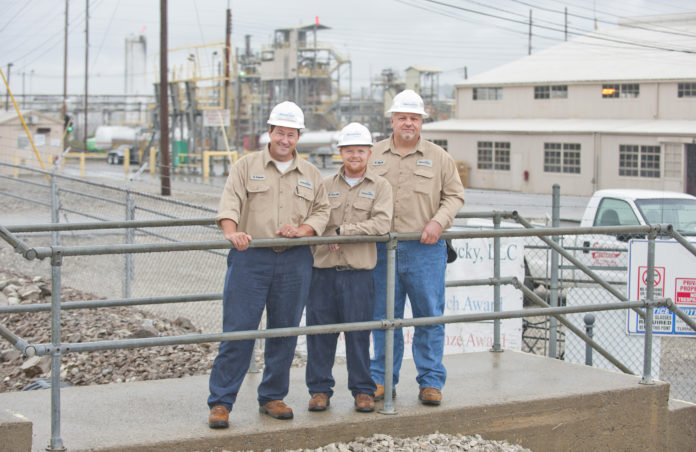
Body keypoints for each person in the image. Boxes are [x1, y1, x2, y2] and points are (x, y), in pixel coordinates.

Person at [207, 101, 330, 429]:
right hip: (251, 257)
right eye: (280, 133)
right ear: (270, 132)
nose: (285, 139)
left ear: (299, 137)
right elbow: (230, 202)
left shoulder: (311, 174)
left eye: (291, 134)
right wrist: (233, 234)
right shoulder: (245, 166)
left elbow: (321, 212)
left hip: (295, 260)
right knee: (238, 331)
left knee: (284, 331)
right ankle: (221, 402)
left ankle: (273, 396)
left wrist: (302, 231)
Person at [369, 89, 465, 406]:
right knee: (385, 320)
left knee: (428, 318)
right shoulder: (373, 154)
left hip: (425, 250)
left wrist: (438, 223)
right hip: (383, 250)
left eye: (414, 118)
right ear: (392, 121)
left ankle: (431, 382)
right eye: (402, 118)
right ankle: (382, 381)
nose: (408, 123)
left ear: (422, 121)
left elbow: (454, 196)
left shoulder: (440, 158)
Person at [305, 123, 393, 414]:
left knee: (358, 334)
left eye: (361, 150)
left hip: (359, 274)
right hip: (323, 272)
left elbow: (381, 224)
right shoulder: (323, 185)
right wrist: (327, 233)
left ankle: (363, 391)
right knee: (320, 334)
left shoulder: (380, 187)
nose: (355, 156)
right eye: (349, 150)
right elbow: (314, 218)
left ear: (370, 153)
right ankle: (319, 390)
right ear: (340, 152)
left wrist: (342, 230)